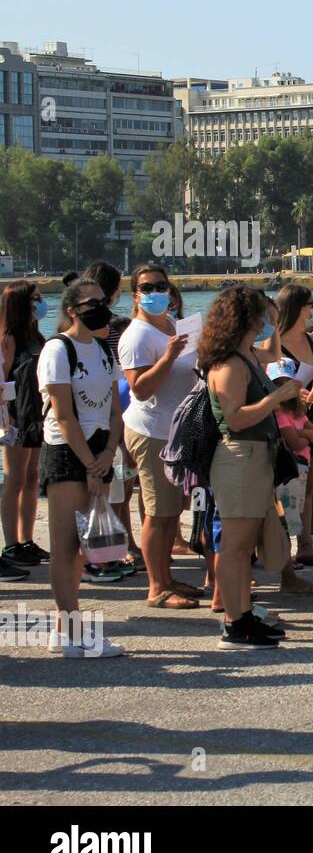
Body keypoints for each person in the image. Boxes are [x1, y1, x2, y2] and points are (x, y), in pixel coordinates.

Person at [199, 285, 300, 651]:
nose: (263, 322)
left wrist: (275, 321)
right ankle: (234, 620)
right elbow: (235, 418)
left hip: (256, 459)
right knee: (236, 546)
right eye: (258, 316)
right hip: (238, 458)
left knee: (245, 546)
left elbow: (273, 350)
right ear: (243, 319)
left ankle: (243, 614)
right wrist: (276, 399)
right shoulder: (228, 365)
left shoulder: (247, 357)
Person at [39, 279, 127, 657]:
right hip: (67, 452)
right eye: (92, 303)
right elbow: (63, 414)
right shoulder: (58, 349)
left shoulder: (103, 350)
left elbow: (113, 408)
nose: (101, 308)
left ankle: (65, 629)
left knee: (83, 548)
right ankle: (72, 630)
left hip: (99, 451)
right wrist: (90, 463)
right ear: (72, 309)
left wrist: (108, 452)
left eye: (103, 301)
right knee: (65, 545)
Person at [118, 265, 204, 610]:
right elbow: (140, 389)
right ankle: (156, 587)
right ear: (135, 294)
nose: (156, 291)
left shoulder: (173, 325)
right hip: (152, 431)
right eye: (147, 286)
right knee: (157, 511)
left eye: (161, 285)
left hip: (176, 431)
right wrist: (168, 357)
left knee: (172, 511)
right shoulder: (137, 336)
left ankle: (167, 577)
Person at [80, 260, 140, 577]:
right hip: (106, 420)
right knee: (112, 489)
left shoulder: (80, 329)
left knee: (114, 488)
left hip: (106, 418)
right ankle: (107, 552)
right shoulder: (110, 329)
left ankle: (113, 549)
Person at [274, 284, 313, 569]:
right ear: (298, 307)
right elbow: (272, 379)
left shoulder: (312, 340)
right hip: (287, 419)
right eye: (310, 304)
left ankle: (307, 543)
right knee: (288, 483)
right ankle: (284, 544)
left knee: (311, 483)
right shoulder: (274, 342)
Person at [0, 282, 48, 579]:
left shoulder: (36, 336)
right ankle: (11, 544)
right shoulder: (8, 339)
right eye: (34, 299)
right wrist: (7, 421)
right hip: (16, 418)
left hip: (36, 415)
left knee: (31, 477)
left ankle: (27, 539)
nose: (40, 303)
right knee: (14, 478)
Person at [269, 359, 313, 545]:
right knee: (286, 513)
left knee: (294, 511)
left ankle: (289, 554)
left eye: (287, 384)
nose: (284, 389)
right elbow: (297, 443)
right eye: (278, 384)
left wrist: (301, 433)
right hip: (288, 469)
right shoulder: (279, 414)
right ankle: (284, 557)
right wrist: (306, 436)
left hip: (301, 467)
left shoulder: (297, 412)